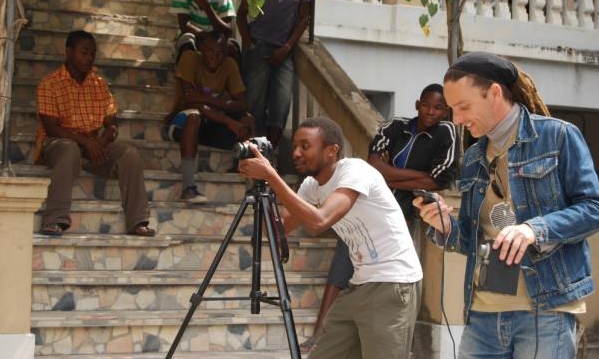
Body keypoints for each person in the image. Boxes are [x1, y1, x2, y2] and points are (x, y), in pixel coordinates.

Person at [414, 51, 599, 359]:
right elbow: (473, 239)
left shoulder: (558, 136)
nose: (456, 119)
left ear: (495, 93)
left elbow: (593, 207)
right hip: (482, 314)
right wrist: (444, 226)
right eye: (452, 109)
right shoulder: (473, 158)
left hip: (545, 310)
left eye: (463, 106)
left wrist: (533, 230)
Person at [239, 117, 422, 359]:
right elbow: (277, 230)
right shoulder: (311, 186)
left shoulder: (355, 171)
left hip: (393, 283)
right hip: (359, 284)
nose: (296, 153)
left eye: (305, 146)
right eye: (294, 146)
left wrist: (272, 176)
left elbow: (319, 221)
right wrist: (262, 186)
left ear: (331, 150)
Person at [302, 83, 458, 352]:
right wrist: (414, 176)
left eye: (438, 107)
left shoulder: (447, 134)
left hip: (399, 216)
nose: (431, 111)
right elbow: (373, 164)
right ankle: (319, 332)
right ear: (417, 104)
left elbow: (438, 179)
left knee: (385, 274)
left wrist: (389, 173)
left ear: (446, 111)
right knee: (340, 270)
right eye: (426, 105)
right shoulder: (397, 125)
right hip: (360, 206)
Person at [35, 30, 155, 237]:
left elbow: (112, 125)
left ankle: (137, 221)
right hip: (59, 144)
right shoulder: (50, 83)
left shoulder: (98, 84)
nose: (89, 57)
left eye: (93, 53)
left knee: (129, 154)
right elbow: (51, 127)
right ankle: (54, 219)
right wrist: (86, 142)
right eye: (84, 52)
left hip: (93, 146)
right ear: (68, 52)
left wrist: (100, 142)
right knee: (69, 148)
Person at [165, 32, 255, 202]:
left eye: (220, 52)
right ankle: (188, 188)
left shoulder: (228, 64)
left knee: (248, 120)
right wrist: (226, 115)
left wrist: (206, 99)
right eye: (210, 51)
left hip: (211, 124)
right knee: (194, 116)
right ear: (201, 49)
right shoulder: (190, 58)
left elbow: (243, 104)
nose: (216, 56)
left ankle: (246, 178)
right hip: (182, 125)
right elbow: (190, 101)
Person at [237, 0, 312, 148]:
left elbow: (304, 18)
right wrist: (248, 43)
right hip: (258, 46)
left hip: (283, 52)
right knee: (254, 104)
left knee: (282, 103)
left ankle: (269, 153)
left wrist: (286, 48)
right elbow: (241, 14)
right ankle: (250, 150)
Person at [170, 0, 236, 62]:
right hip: (194, 36)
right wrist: (207, 39)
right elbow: (184, 26)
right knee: (187, 43)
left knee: (233, 47)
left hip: (217, 39)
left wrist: (206, 6)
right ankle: (185, 75)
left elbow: (227, 30)